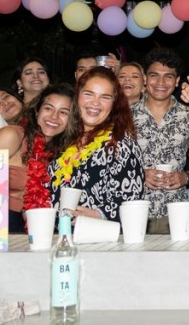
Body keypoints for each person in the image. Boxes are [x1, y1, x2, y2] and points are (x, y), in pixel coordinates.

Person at [48, 68, 145, 222]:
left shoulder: (120, 145)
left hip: (98, 241)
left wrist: (100, 214)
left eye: (105, 97)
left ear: (114, 104)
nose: (95, 103)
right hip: (56, 238)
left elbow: (134, 206)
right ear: (77, 96)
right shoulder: (63, 140)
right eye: (88, 94)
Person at [0, 84, 74, 232]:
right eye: (48, 108)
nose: (54, 117)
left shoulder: (62, 153)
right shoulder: (13, 135)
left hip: (31, 226)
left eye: (64, 112)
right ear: (37, 110)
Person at [132, 49, 189, 230]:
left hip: (175, 213)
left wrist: (186, 177)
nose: (161, 83)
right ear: (145, 78)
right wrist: (139, 174)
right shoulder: (125, 116)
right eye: (154, 75)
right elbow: (111, 160)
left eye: (168, 77)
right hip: (132, 210)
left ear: (177, 81)